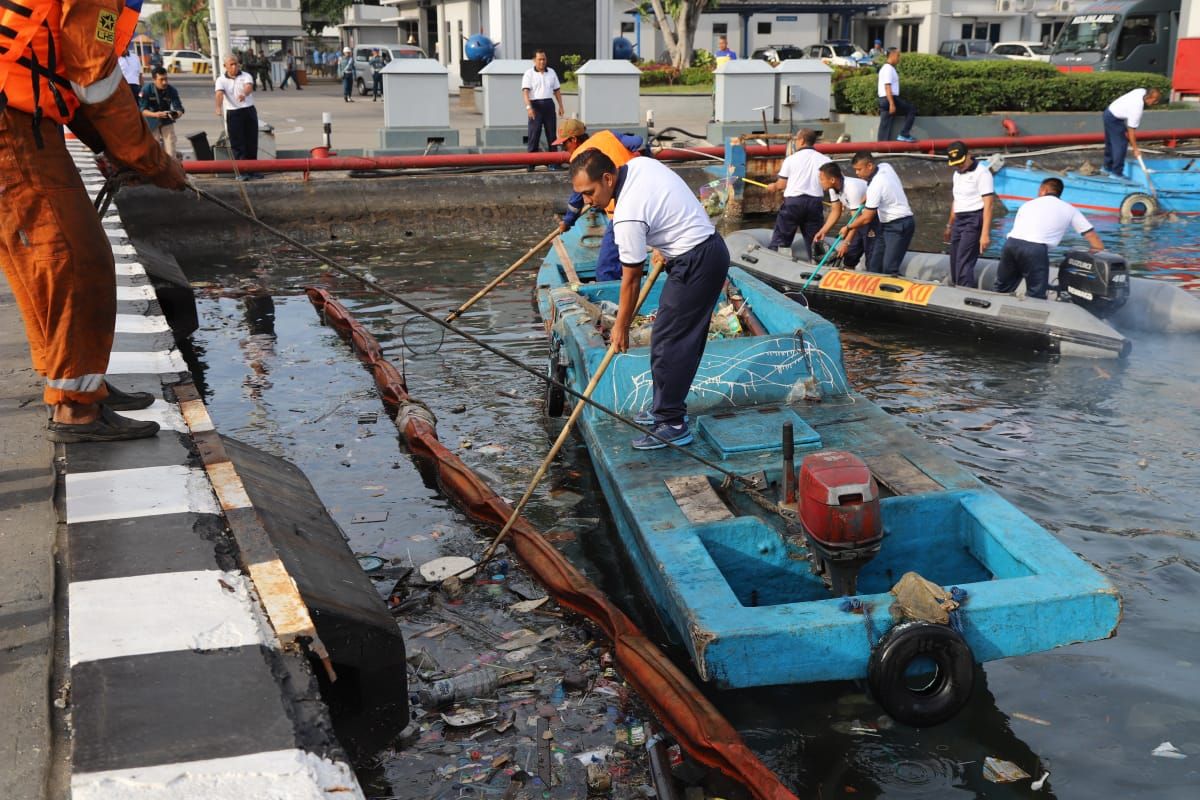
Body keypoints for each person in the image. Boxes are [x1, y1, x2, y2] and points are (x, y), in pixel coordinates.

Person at [0, 0, 188, 443]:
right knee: (75, 262)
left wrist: (111, 146)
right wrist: (149, 159)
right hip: (13, 124)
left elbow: (68, 75)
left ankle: (75, 380)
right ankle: (77, 408)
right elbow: (94, 74)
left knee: (41, 262)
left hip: (22, 119)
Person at [569, 150, 729, 450]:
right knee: (669, 339)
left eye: (589, 193)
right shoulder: (640, 164)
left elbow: (630, 281)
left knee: (671, 343)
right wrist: (664, 240)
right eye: (581, 195)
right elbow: (668, 199)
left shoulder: (627, 215)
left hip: (697, 261)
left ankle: (672, 423)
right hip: (699, 250)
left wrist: (621, 326)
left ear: (607, 178)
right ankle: (663, 409)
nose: (587, 201)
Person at [554, 119, 646, 281]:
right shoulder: (607, 135)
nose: (564, 149)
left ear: (574, 140)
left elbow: (578, 197)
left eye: (564, 145)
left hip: (620, 209)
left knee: (606, 269)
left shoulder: (579, 158)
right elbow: (637, 141)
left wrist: (567, 221)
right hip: (642, 196)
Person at [993, 178, 1103, 300]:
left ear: (1043, 190)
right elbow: (1091, 235)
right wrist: (1100, 253)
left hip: (1011, 245)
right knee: (1036, 294)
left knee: (1002, 288)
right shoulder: (1069, 209)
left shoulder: (1027, 204)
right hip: (1035, 250)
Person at [842, 151, 915, 276]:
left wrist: (848, 227)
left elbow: (866, 218)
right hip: (884, 225)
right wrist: (868, 195)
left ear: (869, 166)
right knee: (874, 266)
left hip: (899, 224)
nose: (857, 173)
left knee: (888, 268)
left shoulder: (876, 185)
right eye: (855, 170)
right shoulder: (885, 166)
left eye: (859, 169)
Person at [768, 129, 832, 260]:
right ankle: (817, 265)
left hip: (793, 204)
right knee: (815, 239)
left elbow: (781, 185)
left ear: (802, 140)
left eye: (796, 139)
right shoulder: (825, 160)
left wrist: (773, 186)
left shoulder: (791, 159)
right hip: (815, 203)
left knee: (781, 239)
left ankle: (775, 261)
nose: (795, 142)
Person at [944, 141, 994, 288]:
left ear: (969, 155)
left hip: (974, 219)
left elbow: (989, 204)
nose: (959, 167)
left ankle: (965, 290)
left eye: (961, 163)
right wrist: (949, 225)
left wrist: (985, 234)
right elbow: (956, 200)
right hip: (959, 219)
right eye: (955, 164)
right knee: (954, 259)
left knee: (964, 260)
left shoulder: (982, 173)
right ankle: (956, 286)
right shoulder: (956, 174)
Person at [814, 162, 875, 269]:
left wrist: (846, 243)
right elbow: (836, 211)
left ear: (832, 180)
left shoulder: (852, 188)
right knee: (849, 256)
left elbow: (855, 218)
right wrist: (823, 231)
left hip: (871, 220)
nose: (820, 182)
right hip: (858, 222)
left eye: (822, 179)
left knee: (870, 257)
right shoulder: (833, 188)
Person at [214, 55, 260, 175]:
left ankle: (253, 170)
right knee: (237, 143)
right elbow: (219, 94)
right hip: (233, 112)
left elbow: (249, 87)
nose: (235, 67)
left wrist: (244, 94)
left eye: (236, 64)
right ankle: (242, 171)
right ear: (225, 66)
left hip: (248, 110)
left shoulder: (246, 75)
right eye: (231, 65)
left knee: (251, 141)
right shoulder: (221, 80)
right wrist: (218, 107)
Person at [1102, 87, 1161, 177]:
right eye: (1155, 101)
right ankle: (1116, 173)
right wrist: (1135, 149)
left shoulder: (1141, 91)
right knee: (1120, 145)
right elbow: (1131, 132)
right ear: (1150, 98)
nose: (1156, 103)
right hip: (1114, 119)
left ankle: (1107, 167)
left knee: (1110, 142)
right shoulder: (1137, 109)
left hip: (1108, 112)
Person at [522, 50, 565, 166]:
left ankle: (554, 162)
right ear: (534, 60)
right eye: (539, 59)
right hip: (535, 106)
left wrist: (561, 106)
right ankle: (531, 163)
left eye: (544, 59)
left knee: (551, 135)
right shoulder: (529, 74)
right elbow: (525, 92)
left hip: (549, 105)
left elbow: (557, 91)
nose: (542, 62)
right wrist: (528, 108)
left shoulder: (551, 72)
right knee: (534, 134)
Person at [140, 67, 185, 158]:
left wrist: (176, 114)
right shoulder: (146, 90)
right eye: (161, 80)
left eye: (166, 79)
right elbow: (142, 111)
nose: (165, 82)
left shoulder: (171, 90)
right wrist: (156, 114)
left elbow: (179, 108)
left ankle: (172, 165)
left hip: (166, 120)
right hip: (151, 120)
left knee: (170, 144)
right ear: (154, 80)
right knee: (153, 147)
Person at [877, 48, 917, 143]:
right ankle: (904, 134)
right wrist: (891, 103)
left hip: (883, 99)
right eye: (898, 55)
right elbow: (887, 86)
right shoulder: (888, 69)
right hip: (890, 98)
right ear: (892, 55)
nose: (899, 58)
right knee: (911, 109)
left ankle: (881, 147)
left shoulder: (886, 68)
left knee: (885, 124)